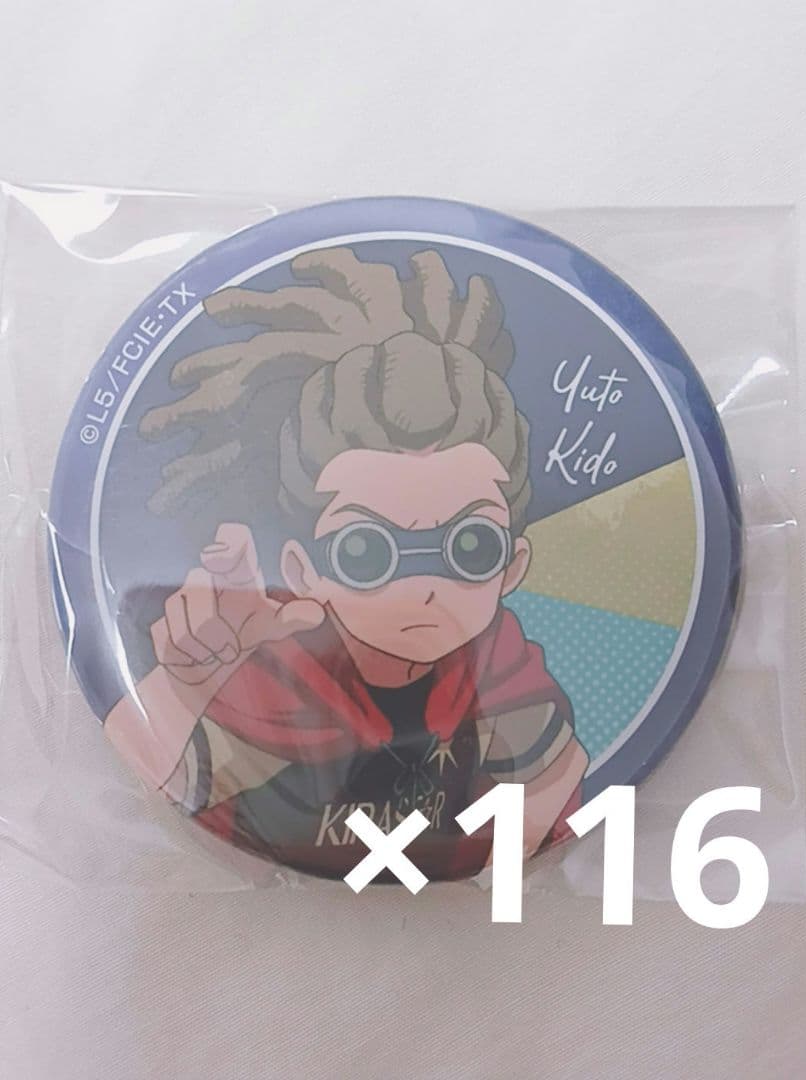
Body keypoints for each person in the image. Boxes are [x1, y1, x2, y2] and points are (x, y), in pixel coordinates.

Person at [106, 246, 588, 880]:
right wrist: (184, 686)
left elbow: (551, 793)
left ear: (513, 565)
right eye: (366, 552)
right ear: (301, 570)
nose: (422, 588)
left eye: (470, 548)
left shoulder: (505, 676)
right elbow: (150, 767)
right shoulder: (270, 678)